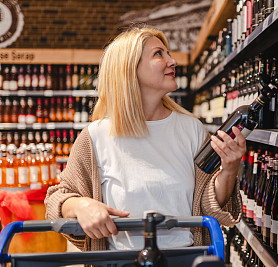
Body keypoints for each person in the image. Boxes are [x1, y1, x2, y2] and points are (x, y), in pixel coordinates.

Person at [45, 26, 244, 251]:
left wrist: (229, 170)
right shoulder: (95, 137)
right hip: (119, 263)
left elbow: (205, 206)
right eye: (159, 54)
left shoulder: (191, 129)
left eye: (168, 53)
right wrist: (80, 205)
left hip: (184, 260)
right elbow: (57, 197)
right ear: (129, 68)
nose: (173, 61)